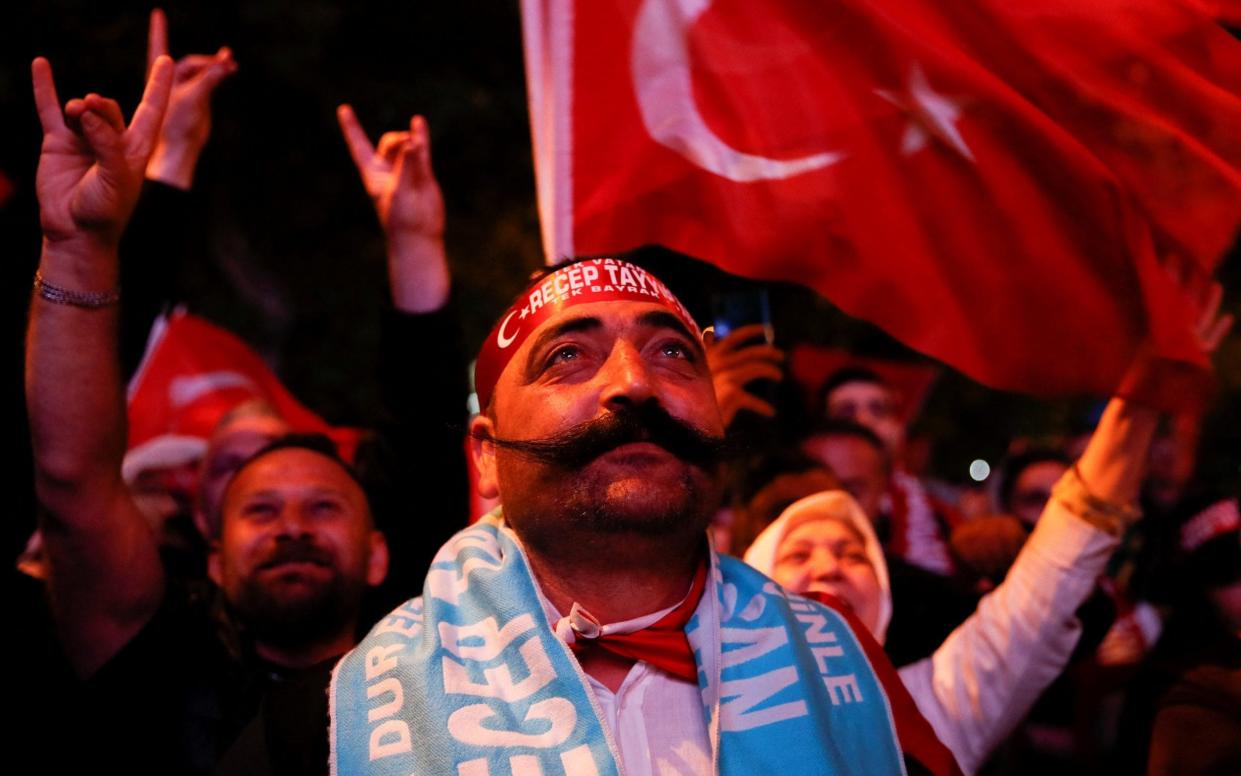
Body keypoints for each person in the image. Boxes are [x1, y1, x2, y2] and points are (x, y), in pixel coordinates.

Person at [330, 257, 960, 775]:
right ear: (488, 455)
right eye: (569, 355)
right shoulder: (344, 709)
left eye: (673, 354)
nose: (635, 382)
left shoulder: (839, 659)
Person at [744, 295, 1231, 774]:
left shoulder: (938, 702)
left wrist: (1139, 405)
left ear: (888, 599)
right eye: (799, 552)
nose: (829, 567)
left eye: (854, 555)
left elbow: (1061, 559)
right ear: (749, 590)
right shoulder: (703, 699)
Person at [820, 367, 960, 576]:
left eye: (879, 410)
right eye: (846, 412)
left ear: (899, 428)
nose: (864, 421)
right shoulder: (804, 505)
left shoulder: (942, 516)